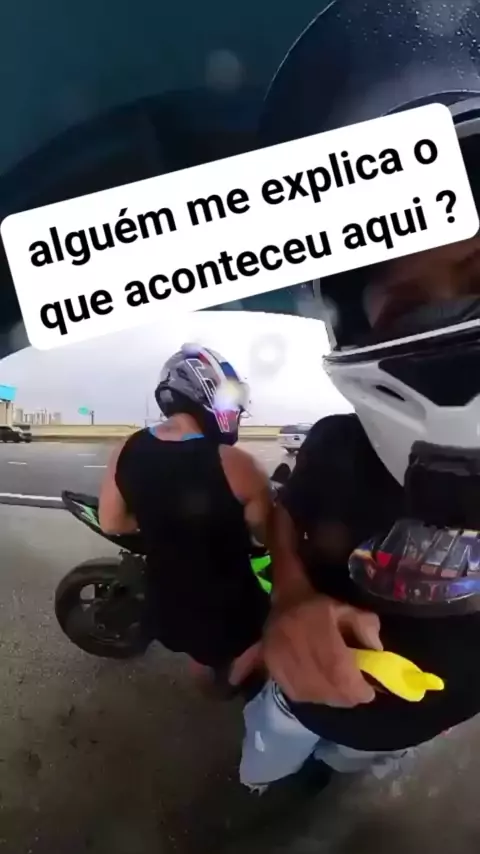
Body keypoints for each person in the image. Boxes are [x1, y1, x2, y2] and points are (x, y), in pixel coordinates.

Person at [239, 0, 480, 789]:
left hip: (419, 720)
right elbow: (284, 518)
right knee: (266, 770)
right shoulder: (341, 445)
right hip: (304, 704)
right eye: (409, 308)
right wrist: (290, 601)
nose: (452, 323)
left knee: (342, 768)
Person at [98, 343, 273, 695]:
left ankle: (208, 678)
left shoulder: (126, 449)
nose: (235, 411)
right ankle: (231, 684)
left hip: (166, 606)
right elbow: (265, 534)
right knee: (274, 627)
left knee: (200, 652)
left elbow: (112, 523)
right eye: (229, 400)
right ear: (204, 394)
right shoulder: (239, 465)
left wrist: (164, 518)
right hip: (229, 610)